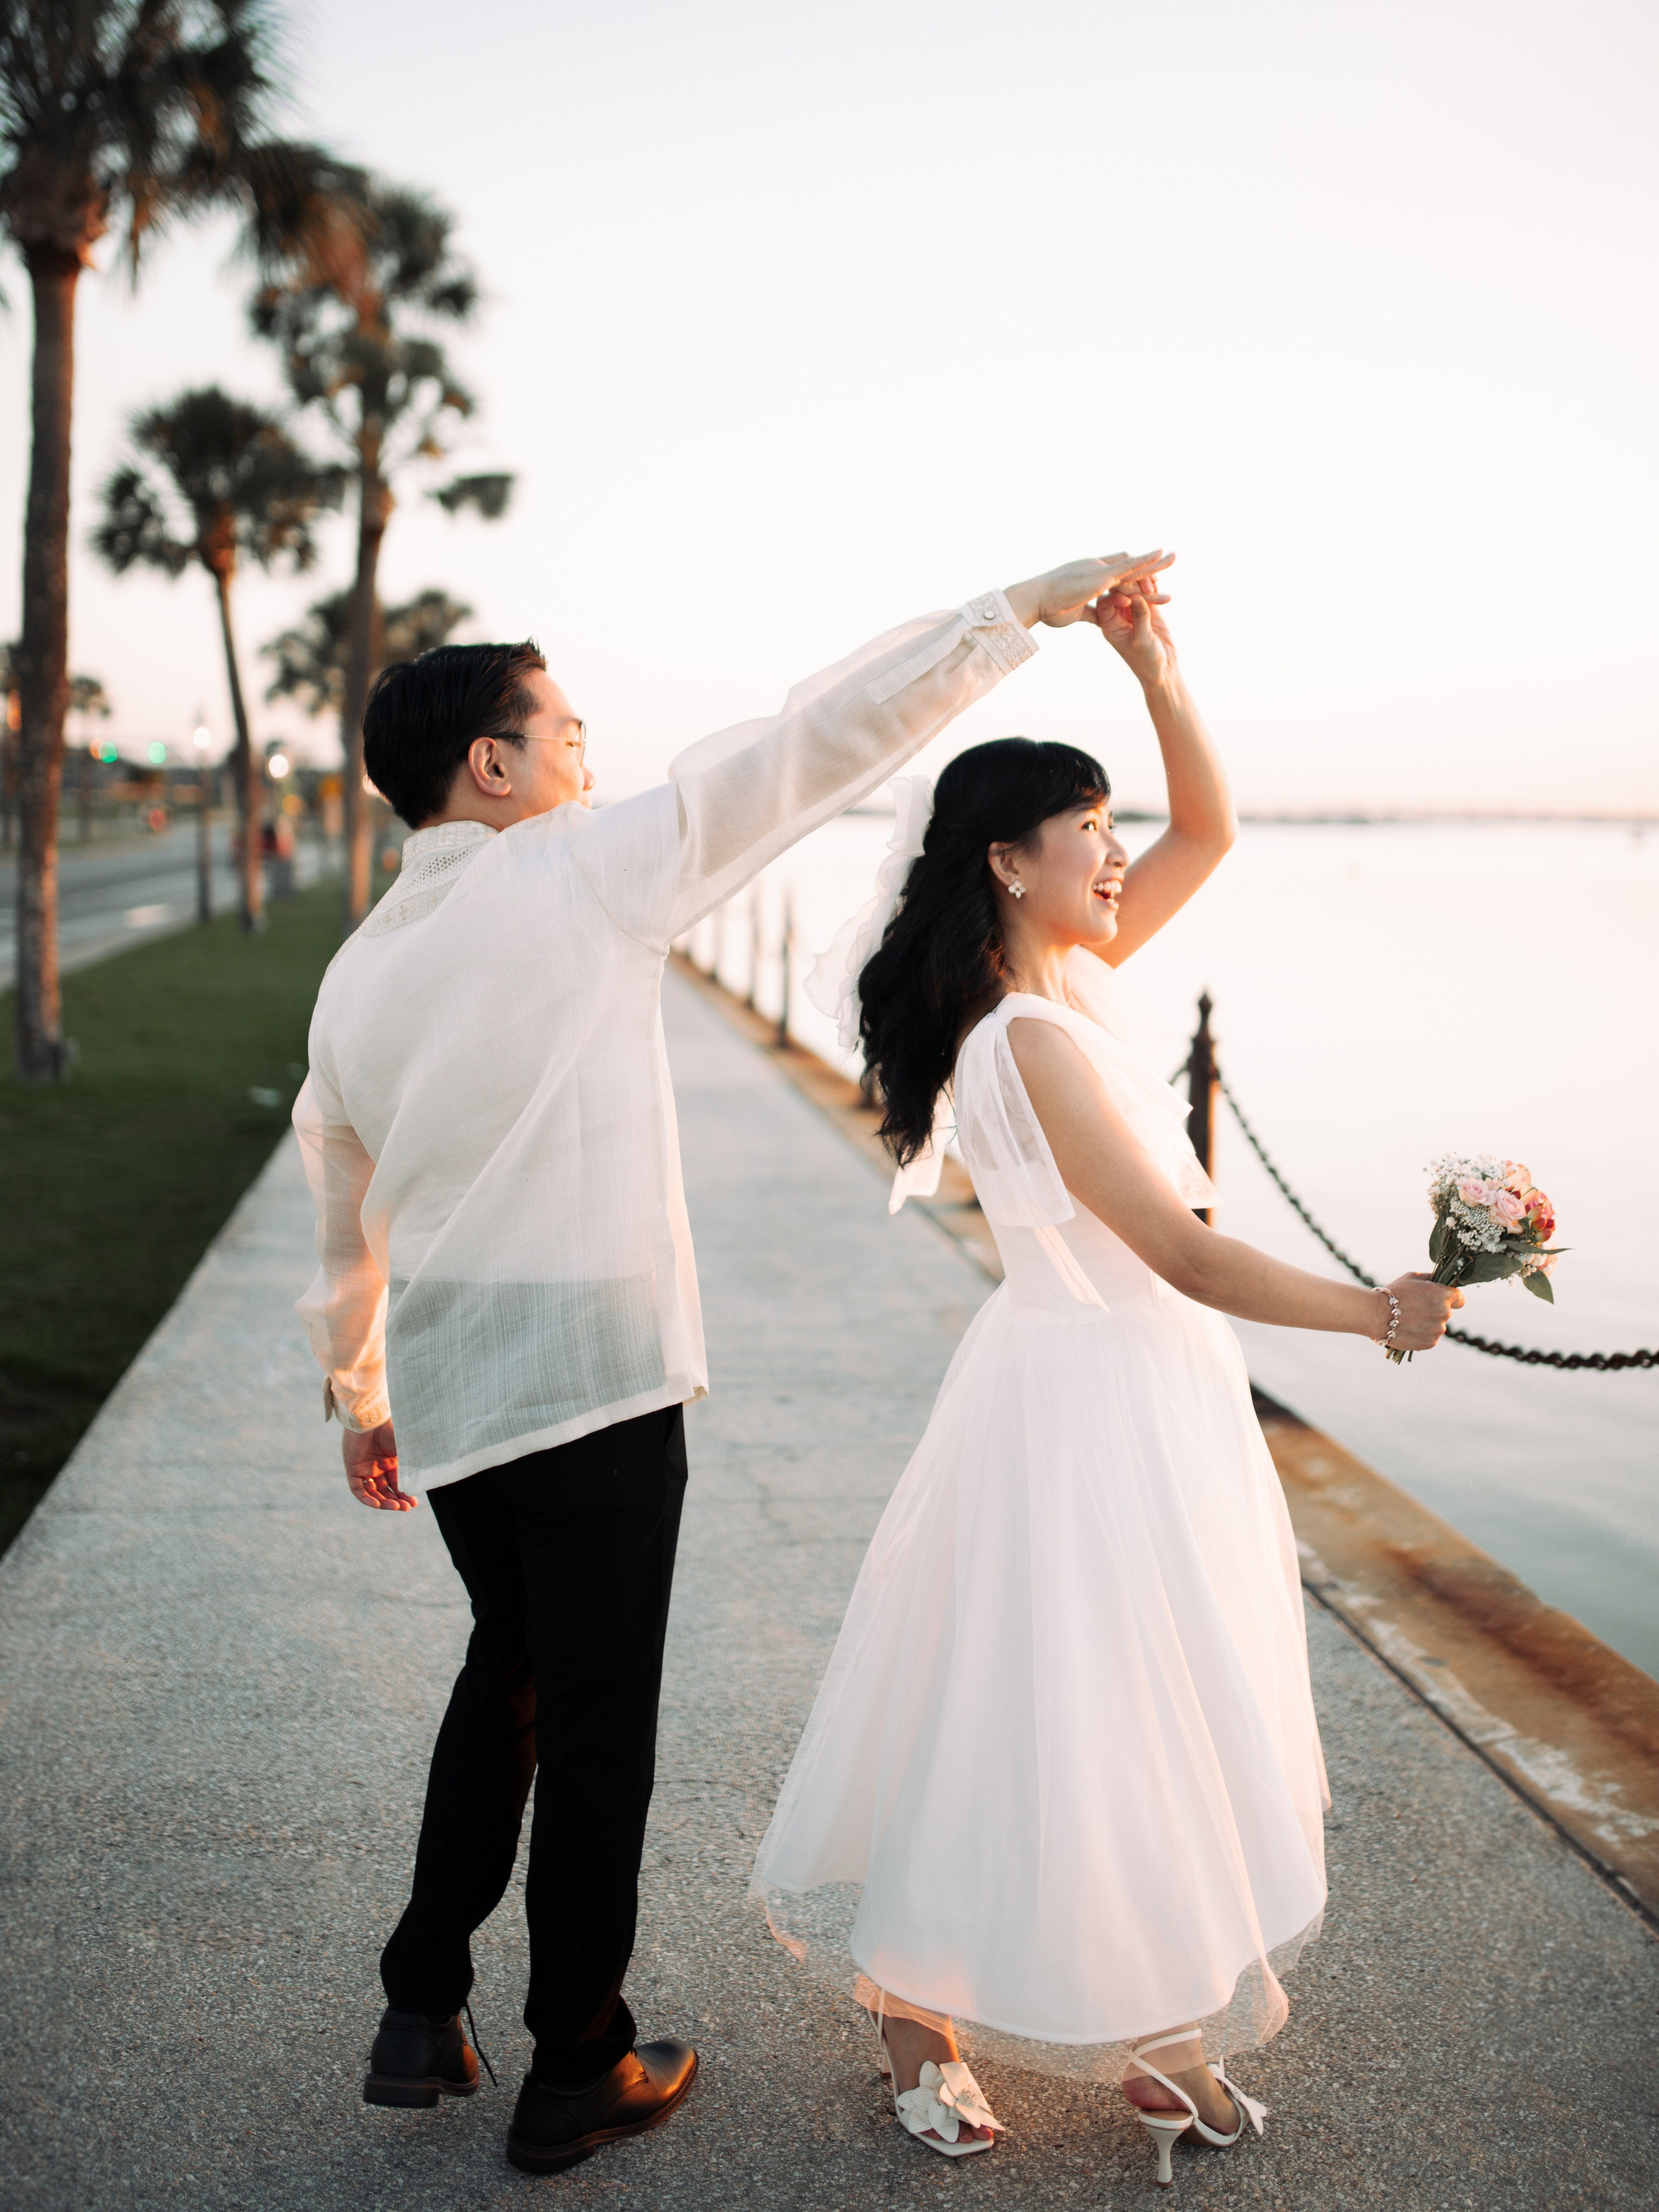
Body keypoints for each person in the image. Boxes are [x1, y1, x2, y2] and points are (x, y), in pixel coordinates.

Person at [291, 550, 1171, 2178]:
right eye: (561, 731)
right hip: (597, 1377)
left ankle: (423, 2002)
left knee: (511, 1674)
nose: (587, 756)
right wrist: (1014, 615)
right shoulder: (574, 871)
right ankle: (578, 2063)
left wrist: (360, 1394)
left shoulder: (357, 969)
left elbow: (341, 1209)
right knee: (593, 1719)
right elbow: (813, 738)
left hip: (461, 1385)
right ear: (489, 767)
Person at [749, 563, 1461, 2183]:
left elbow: (1209, 831)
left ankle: (1145, 2018)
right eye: (1089, 837)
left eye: (1109, 831)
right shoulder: (1023, 1037)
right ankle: (917, 2017)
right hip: (1079, 1400)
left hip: (1147, 1399)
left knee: (1144, 1711)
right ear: (1007, 864)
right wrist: (1377, 1313)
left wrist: (1155, 670)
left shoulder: (1072, 989)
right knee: (1039, 1705)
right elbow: (1185, 1253)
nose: (1121, 856)